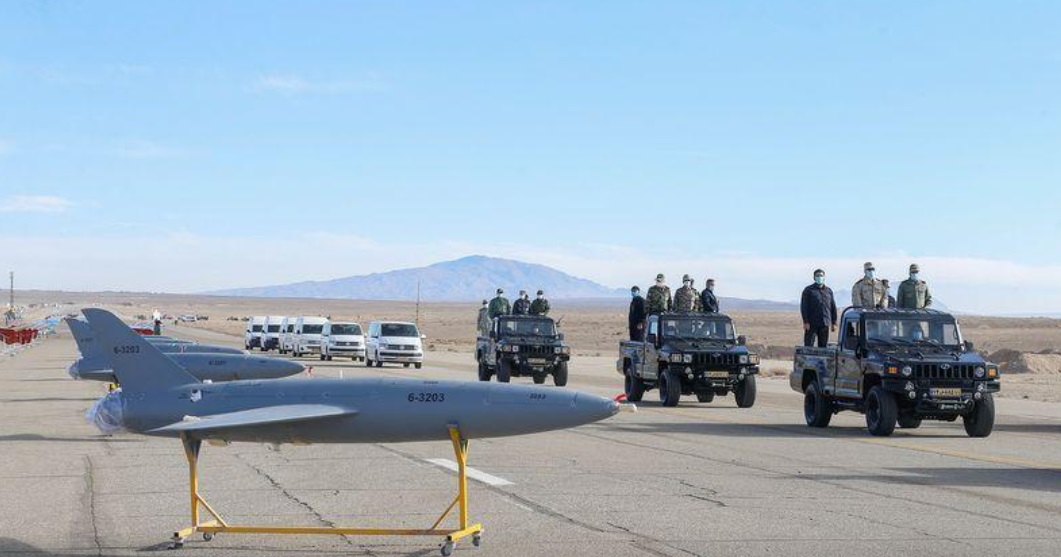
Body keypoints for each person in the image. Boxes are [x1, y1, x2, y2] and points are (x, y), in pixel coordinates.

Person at [801, 269, 838, 347]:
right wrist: (806, 321)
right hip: (812, 324)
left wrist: (834, 322)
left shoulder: (828, 291)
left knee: (823, 347)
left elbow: (833, 307)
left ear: (824, 277)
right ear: (814, 278)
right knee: (809, 345)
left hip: (824, 323)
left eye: (821, 275)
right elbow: (804, 307)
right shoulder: (808, 290)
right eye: (817, 276)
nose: (819, 277)